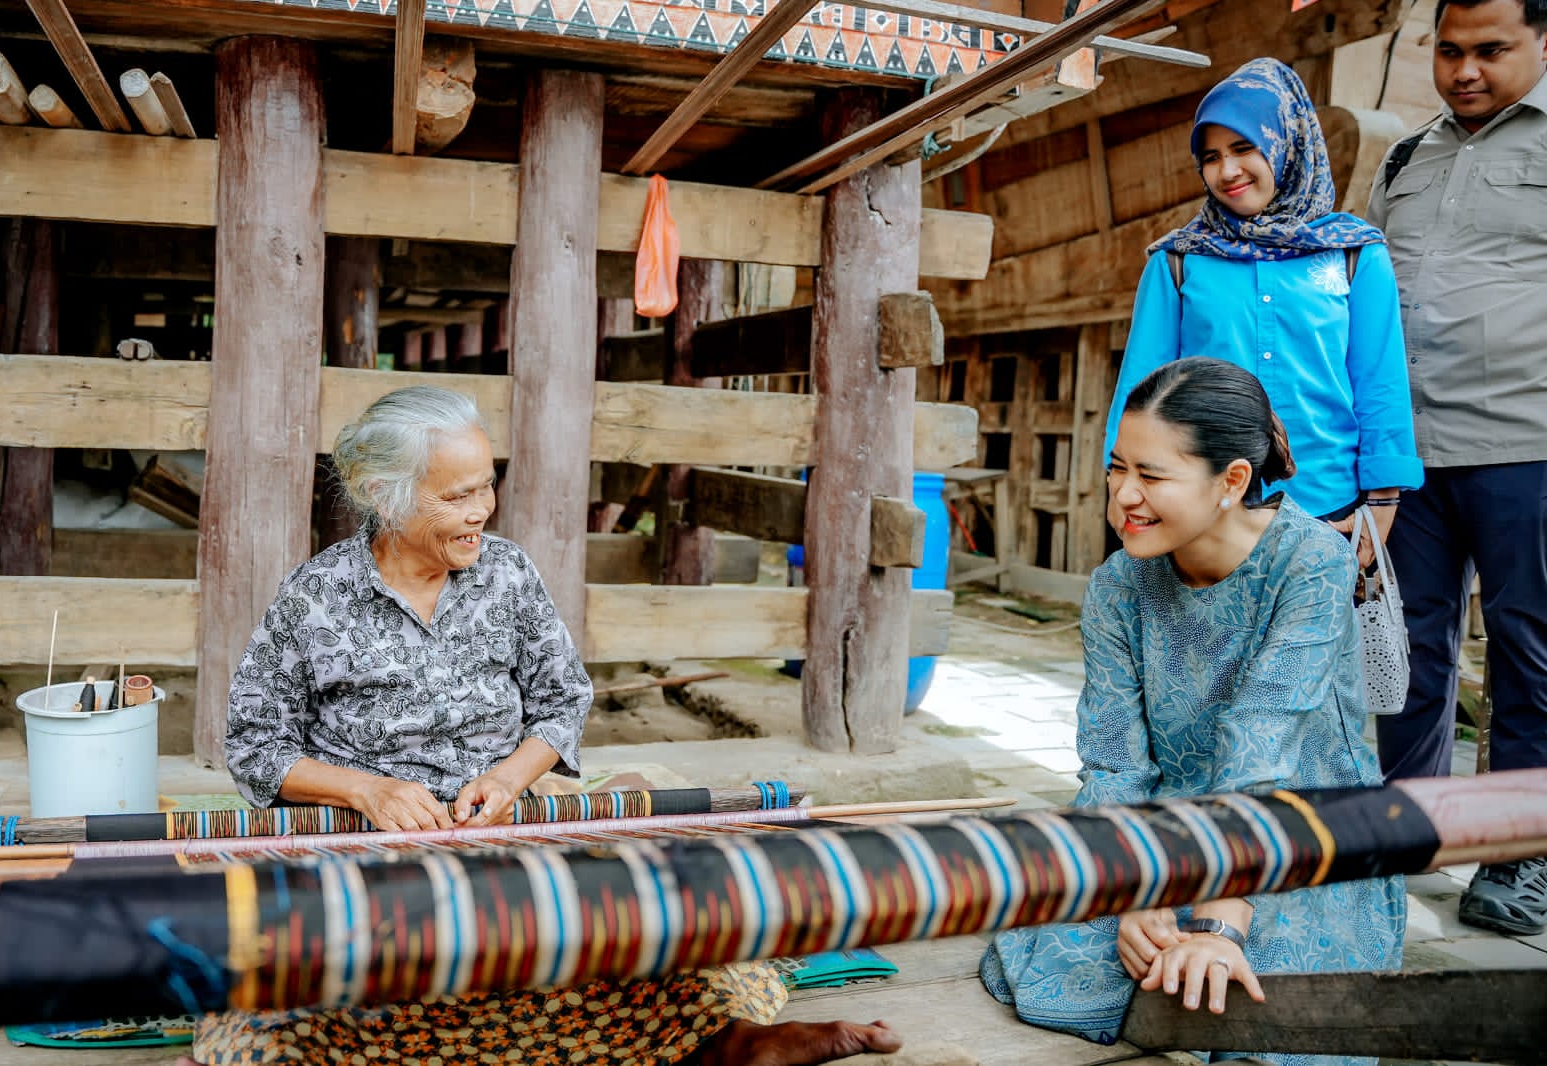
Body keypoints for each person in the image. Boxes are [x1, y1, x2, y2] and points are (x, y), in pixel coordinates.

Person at [204, 385, 902, 1066]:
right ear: (386, 497)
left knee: (614, 911)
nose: (481, 510)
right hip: (369, 848)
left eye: (485, 486)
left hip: (508, 829)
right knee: (300, 978)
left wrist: (510, 779)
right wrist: (367, 792)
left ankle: (722, 1042)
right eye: (456, 496)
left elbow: (563, 699)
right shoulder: (317, 596)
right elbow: (254, 748)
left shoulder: (507, 574)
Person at [982, 359, 1404, 1066]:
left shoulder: (1310, 566)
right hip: (1165, 831)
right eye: (1117, 469)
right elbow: (1114, 761)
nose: (1123, 497)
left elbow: (1261, 743)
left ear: (1232, 481)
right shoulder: (1118, 586)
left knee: (1271, 996)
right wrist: (1132, 887)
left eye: (1151, 476)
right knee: (1069, 951)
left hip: (1294, 829)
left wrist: (1220, 920)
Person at [1363, 0, 1547, 938]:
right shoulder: (1407, 156)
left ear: (1544, 44)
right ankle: (1405, 837)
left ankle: (1521, 864)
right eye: (1449, 51)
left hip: (1530, 444)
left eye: (1491, 50)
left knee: (1531, 658)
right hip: (1412, 455)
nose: (1464, 69)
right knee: (1405, 653)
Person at [1104, 58, 1422, 558]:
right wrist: (1124, 486)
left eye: (1244, 148)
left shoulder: (1356, 255)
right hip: (1200, 507)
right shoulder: (1179, 262)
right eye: (1210, 157)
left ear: (1286, 144)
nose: (1226, 171)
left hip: (1328, 508)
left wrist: (1381, 502)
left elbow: (1379, 382)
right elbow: (1140, 390)